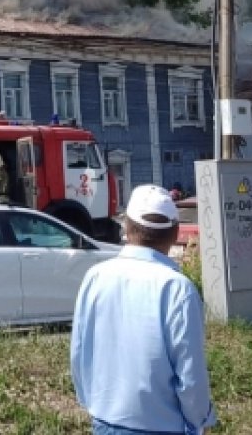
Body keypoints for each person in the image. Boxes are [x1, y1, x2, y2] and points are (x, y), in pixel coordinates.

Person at [71, 184, 216, 435]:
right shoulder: (177, 288)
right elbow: (190, 374)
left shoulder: (95, 277)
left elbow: (80, 351)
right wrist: (199, 420)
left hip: (105, 422)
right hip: (163, 426)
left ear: (126, 227)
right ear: (175, 234)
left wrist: (93, 403)